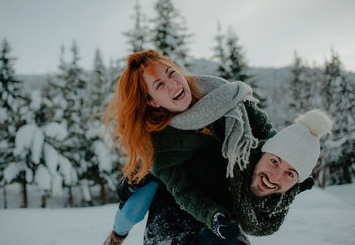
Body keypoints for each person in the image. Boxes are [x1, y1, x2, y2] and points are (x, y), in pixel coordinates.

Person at [102, 49, 332, 245]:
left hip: (221, 195)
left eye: (171, 73)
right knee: (138, 196)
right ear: (152, 101)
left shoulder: (227, 97)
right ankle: (115, 236)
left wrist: (292, 168)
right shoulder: (158, 144)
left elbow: (269, 139)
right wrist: (212, 216)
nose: (172, 83)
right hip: (176, 213)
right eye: (159, 85)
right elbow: (183, 191)